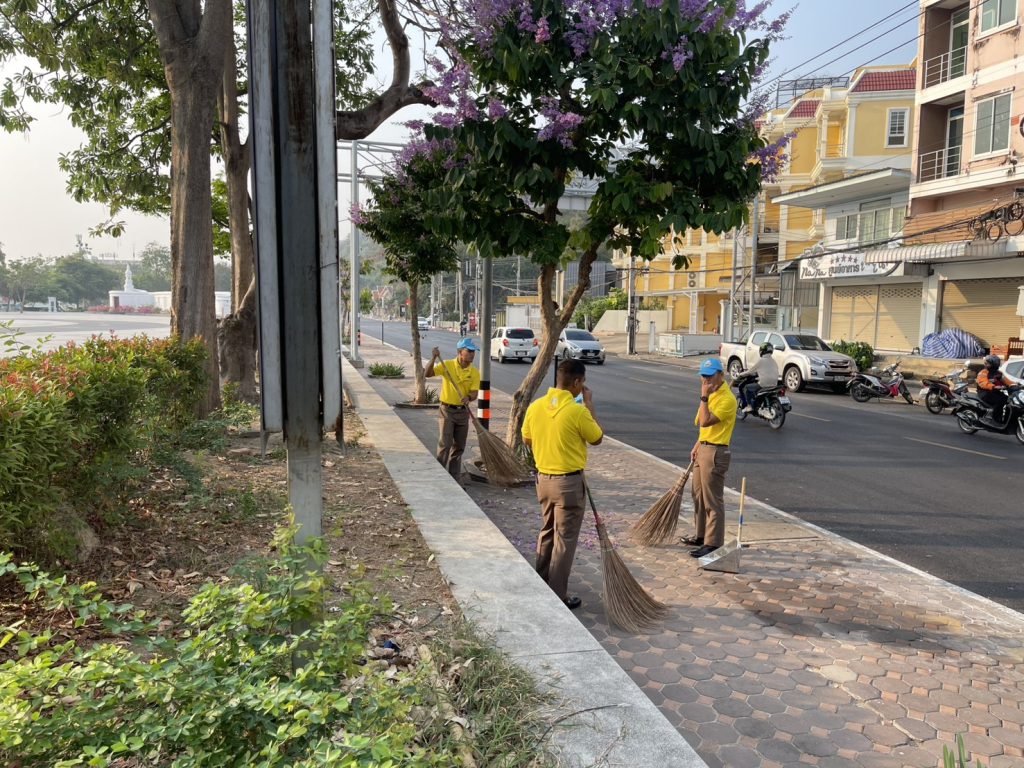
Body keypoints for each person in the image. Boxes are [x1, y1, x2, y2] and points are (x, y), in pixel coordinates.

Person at [522, 359, 604, 610]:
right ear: (577, 382)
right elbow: (597, 438)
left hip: (543, 481)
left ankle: (540, 581)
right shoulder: (577, 411)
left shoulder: (536, 406)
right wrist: (589, 404)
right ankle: (557, 595)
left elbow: (527, 439)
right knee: (565, 538)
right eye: (583, 382)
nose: (583, 387)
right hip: (568, 484)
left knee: (547, 530)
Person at [683, 357, 738, 559]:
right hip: (704, 448)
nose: (706, 380)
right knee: (698, 495)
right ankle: (701, 535)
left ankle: (713, 543)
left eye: (710, 376)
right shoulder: (712, 394)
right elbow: (703, 428)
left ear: (721, 375)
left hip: (715, 452)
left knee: (712, 500)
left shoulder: (727, 399)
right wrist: (698, 444)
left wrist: (704, 397)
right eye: (703, 376)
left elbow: (705, 421)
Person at [425, 339, 481, 481]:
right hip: (447, 411)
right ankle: (440, 476)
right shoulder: (447, 365)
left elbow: (474, 392)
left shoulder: (474, 372)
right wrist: (433, 358)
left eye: (473, 351)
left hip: (463, 412)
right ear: (460, 352)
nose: (472, 354)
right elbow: (428, 373)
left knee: (459, 446)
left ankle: (454, 477)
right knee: (445, 443)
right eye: (469, 351)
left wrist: (469, 397)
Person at [737, 342, 780, 414]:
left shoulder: (761, 360)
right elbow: (767, 371)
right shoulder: (773, 361)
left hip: (764, 384)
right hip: (774, 384)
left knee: (747, 388)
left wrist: (740, 375)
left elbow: (750, 371)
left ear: (762, 350)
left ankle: (749, 406)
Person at [977, 354, 1010, 425]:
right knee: (1000, 401)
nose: (985, 364)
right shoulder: (983, 372)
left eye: (987, 363)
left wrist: (1015, 385)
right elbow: (983, 383)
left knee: (1008, 399)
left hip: (994, 392)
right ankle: (994, 419)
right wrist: (993, 386)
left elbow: (1006, 381)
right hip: (984, 393)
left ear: (994, 364)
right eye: (986, 363)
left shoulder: (998, 373)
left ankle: (1005, 420)